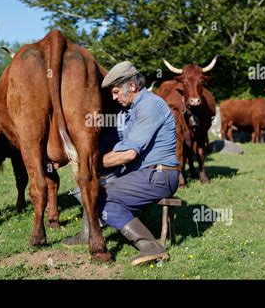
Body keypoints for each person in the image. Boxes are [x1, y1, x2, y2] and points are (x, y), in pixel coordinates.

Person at [63, 61, 180, 266]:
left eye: (116, 92)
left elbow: (128, 154)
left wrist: (90, 162)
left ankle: (150, 246)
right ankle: (88, 233)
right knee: (92, 189)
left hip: (160, 176)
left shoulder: (149, 105)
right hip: (145, 175)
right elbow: (110, 141)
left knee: (98, 197)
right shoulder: (128, 112)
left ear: (132, 87)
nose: (114, 97)